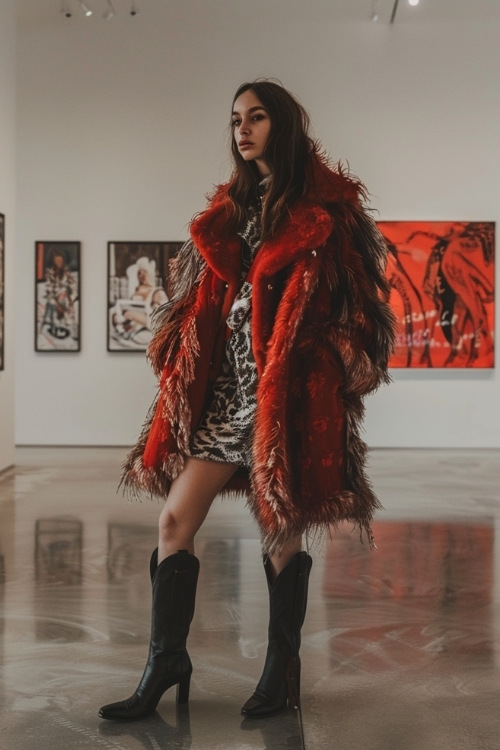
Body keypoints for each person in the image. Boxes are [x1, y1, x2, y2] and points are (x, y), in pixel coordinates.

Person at [98, 80, 396, 722]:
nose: (243, 129)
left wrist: (320, 359)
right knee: (175, 520)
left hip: (281, 399)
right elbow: (200, 300)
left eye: (256, 117)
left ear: (281, 125)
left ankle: (280, 671)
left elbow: (364, 315)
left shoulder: (328, 213)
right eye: (235, 119)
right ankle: (165, 662)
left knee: (280, 532)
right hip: (224, 396)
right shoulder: (231, 211)